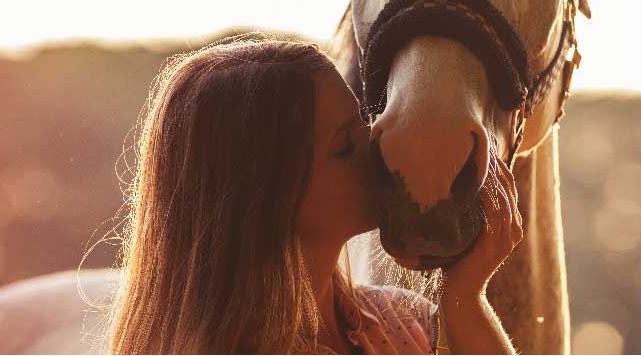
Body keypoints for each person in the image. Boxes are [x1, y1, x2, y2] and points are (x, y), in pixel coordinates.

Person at [105, 38, 522, 354]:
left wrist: (466, 297)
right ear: (267, 196)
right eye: (344, 147)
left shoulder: (401, 321)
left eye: (363, 122)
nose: (378, 148)